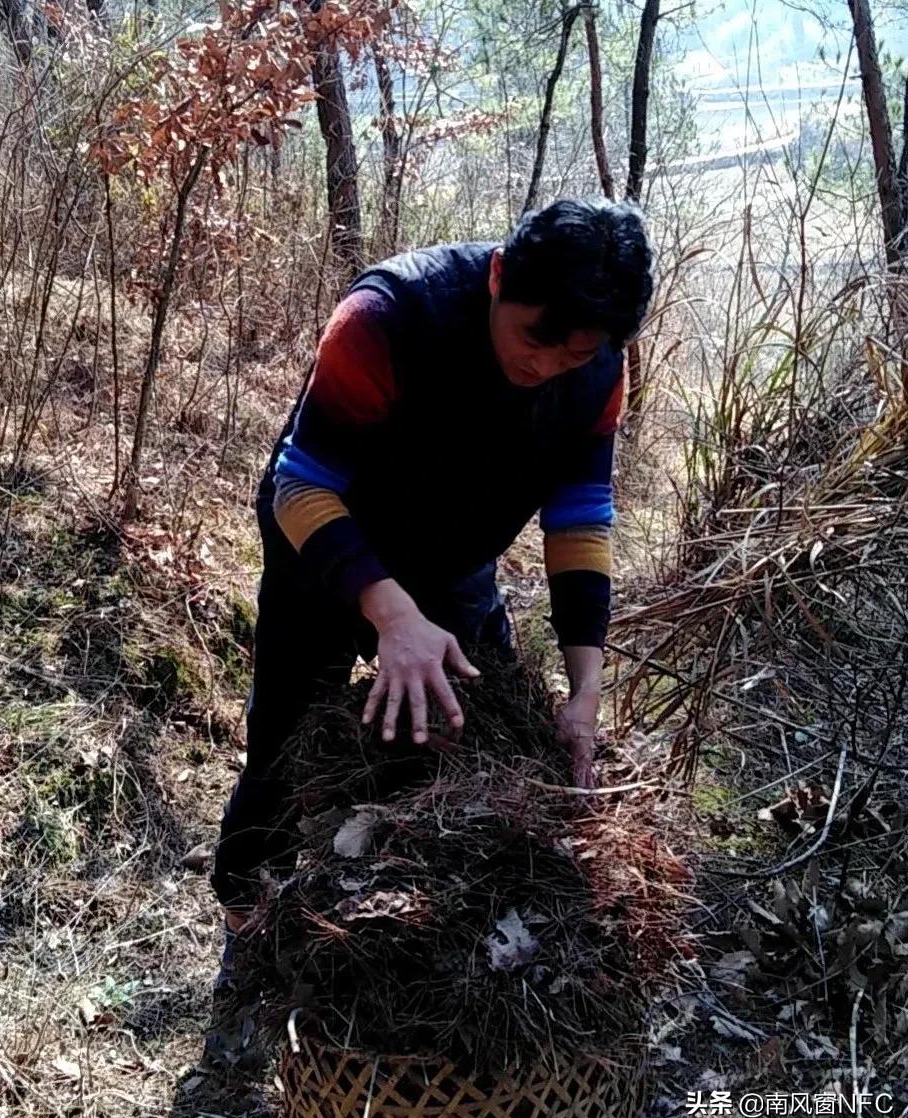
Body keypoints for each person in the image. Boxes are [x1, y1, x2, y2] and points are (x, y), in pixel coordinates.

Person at [211, 198, 654, 945]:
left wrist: (586, 686)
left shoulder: (598, 370)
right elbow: (299, 484)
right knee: (284, 744)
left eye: (573, 355)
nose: (544, 366)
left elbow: (580, 516)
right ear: (500, 276)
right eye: (534, 337)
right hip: (327, 542)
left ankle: (406, 934)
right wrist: (391, 615)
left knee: (483, 732)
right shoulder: (389, 316)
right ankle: (247, 932)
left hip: (451, 560)